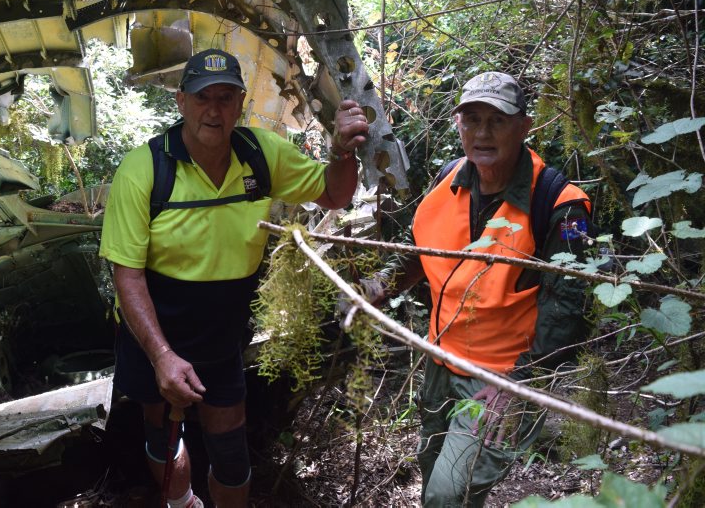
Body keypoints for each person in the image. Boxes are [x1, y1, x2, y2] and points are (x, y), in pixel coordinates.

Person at [99, 49, 370, 508]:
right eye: (203, 97)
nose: (214, 109)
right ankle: (183, 501)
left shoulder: (260, 155)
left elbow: (335, 193)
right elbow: (127, 274)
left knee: (228, 445)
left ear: (241, 103)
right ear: (181, 102)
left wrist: (342, 150)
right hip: (156, 330)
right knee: (162, 431)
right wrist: (163, 357)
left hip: (223, 333)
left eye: (226, 98)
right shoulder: (144, 170)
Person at [372, 71, 594, 507]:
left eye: (498, 120)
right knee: (435, 475)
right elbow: (420, 250)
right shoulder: (449, 178)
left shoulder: (560, 204)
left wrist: (519, 386)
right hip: (442, 363)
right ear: (457, 125)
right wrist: (376, 285)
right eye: (471, 119)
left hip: (503, 378)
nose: (483, 133)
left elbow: (569, 307)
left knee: (445, 494)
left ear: (524, 126)